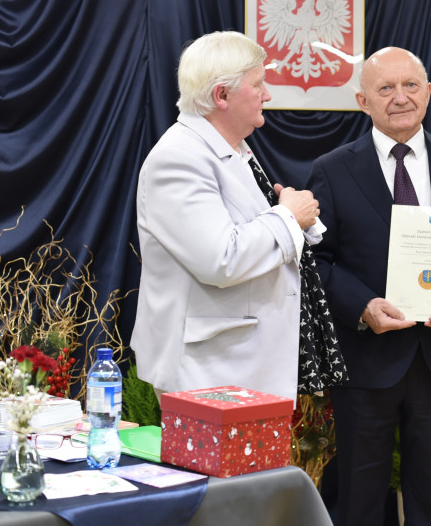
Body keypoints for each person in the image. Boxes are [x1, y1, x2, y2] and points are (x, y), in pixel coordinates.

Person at [306, 47, 431, 526]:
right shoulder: (332, 169)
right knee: (360, 501)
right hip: (366, 361)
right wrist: (363, 305)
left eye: (411, 85)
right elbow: (316, 259)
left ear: (429, 93)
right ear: (362, 101)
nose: (401, 97)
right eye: (386, 88)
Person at [132, 30, 322, 402]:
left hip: (238, 364)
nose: (267, 94)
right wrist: (288, 217)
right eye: (259, 84)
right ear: (222, 95)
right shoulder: (179, 158)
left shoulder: (231, 147)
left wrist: (295, 216)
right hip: (209, 369)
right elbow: (221, 259)